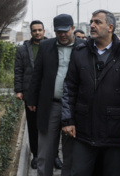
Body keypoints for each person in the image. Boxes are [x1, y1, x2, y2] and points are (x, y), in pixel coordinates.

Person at [61, 9, 120, 176]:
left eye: (97, 22)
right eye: (91, 22)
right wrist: (67, 120)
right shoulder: (79, 53)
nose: (92, 25)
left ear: (110, 27)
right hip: (84, 132)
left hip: (116, 133)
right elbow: (69, 88)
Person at [27, 14, 84, 176]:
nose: (62, 35)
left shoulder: (84, 47)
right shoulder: (46, 46)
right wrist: (31, 98)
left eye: (66, 31)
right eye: (59, 32)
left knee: (71, 151)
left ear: (73, 28)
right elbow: (37, 74)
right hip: (50, 105)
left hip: (74, 108)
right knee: (45, 151)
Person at [14, 20, 62, 169]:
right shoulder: (23, 49)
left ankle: (54, 156)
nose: (37, 33)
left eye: (40, 30)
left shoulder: (53, 46)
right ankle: (36, 156)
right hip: (31, 94)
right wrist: (19, 90)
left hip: (49, 94)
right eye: (34, 30)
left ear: (44, 31)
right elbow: (18, 70)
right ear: (31, 32)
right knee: (34, 127)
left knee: (52, 127)